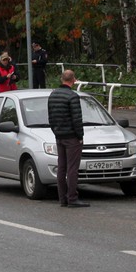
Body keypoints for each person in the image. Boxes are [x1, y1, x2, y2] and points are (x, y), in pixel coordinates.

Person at [47, 70, 89, 207]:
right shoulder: (72, 96)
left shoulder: (52, 95)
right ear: (74, 80)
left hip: (59, 135)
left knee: (62, 167)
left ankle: (62, 198)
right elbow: (77, 119)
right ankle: (72, 197)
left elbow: (50, 117)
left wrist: (56, 131)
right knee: (72, 168)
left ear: (61, 79)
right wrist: (80, 136)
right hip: (72, 137)